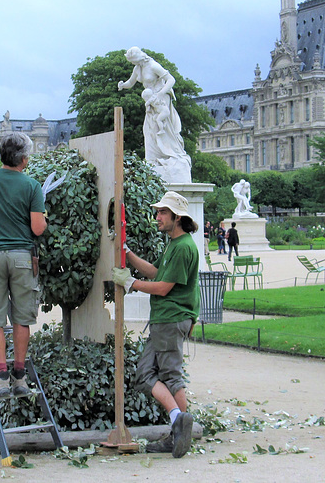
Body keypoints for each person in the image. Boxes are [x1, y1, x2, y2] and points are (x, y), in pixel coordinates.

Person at [112, 191, 199, 458]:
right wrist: (128, 255)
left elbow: (162, 287)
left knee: (172, 378)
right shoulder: (176, 244)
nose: (157, 216)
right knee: (145, 375)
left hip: (170, 318)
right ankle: (178, 424)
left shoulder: (183, 247)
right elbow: (156, 272)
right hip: (165, 319)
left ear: (177, 217)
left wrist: (130, 284)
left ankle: (179, 432)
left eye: (163, 212)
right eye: (159, 211)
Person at [0, 132, 47, 398]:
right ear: (23, 159)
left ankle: (0, 376)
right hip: (21, 257)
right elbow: (37, 228)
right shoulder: (32, 185)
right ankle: (20, 376)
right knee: (22, 317)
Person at [118, 47, 192, 183]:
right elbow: (131, 82)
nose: (133, 64)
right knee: (149, 129)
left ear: (138, 57)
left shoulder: (153, 65)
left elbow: (171, 80)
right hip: (150, 99)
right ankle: (153, 158)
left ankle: (170, 153)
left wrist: (161, 93)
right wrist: (123, 85)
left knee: (162, 128)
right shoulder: (138, 68)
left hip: (160, 98)